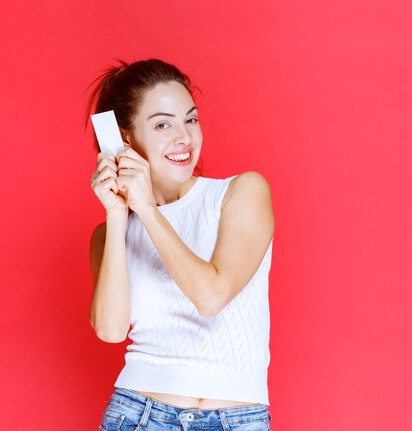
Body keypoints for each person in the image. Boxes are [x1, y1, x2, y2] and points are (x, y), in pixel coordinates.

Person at [87, 58, 274, 430]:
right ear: (124, 138)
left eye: (190, 119)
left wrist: (147, 209)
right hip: (138, 414)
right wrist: (118, 213)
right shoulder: (111, 231)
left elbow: (211, 296)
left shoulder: (242, 192)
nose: (184, 138)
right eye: (162, 125)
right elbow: (110, 330)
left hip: (237, 418)